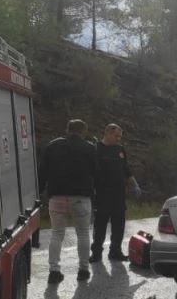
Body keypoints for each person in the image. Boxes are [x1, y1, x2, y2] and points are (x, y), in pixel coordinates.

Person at [38, 119, 98, 283]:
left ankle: (54, 271)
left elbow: (42, 171)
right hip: (81, 197)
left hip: (56, 196)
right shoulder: (89, 148)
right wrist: (97, 193)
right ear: (84, 131)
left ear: (67, 130)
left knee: (57, 233)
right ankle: (83, 270)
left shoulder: (53, 146)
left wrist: (40, 191)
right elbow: (96, 173)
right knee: (83, 233)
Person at [90, 124, 142, 263]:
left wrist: (134, 184)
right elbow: (91, 171)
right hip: (102, 194)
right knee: (100, 226)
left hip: (118, 194)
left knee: (118, 225)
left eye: (120, 136)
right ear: (107, 133)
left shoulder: (120, 149)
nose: (118, 139)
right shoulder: (96, 148)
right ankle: (96, 253)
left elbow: (126, 169)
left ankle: (115, 251)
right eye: (116, 136)